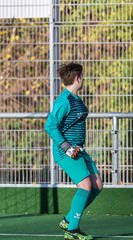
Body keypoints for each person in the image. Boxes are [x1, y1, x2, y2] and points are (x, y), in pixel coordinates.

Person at [45, 63, 103, 240]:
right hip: (67, 151)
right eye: (82, 76)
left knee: (97, 185)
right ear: (77, 78)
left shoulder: (76, 99)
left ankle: (69, 219)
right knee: (85, 186)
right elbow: (50, 125)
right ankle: (72, 230)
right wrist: (66, 147)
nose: (83, 79)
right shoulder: (64, 100)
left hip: (78, 149)